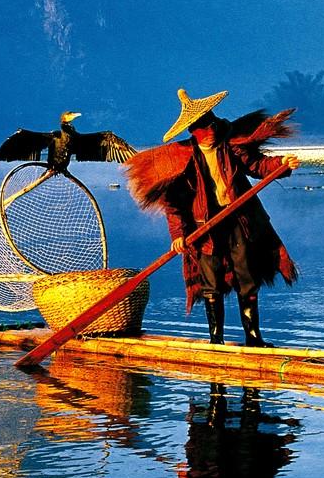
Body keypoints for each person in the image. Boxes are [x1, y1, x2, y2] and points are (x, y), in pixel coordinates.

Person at [126, 88, 299, 346]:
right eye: (206, 126)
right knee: (211, 282)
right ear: (194, 131)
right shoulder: (180, 159)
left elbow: (257, 166)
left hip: (240, 221)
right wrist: (177, 236)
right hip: (204, 227)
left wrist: (282, 164)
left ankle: (254, 339)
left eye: (213, 123)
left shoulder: (231, 146)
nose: (213, 130)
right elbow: (173, 204)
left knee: (246, 277)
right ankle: (215, 341)